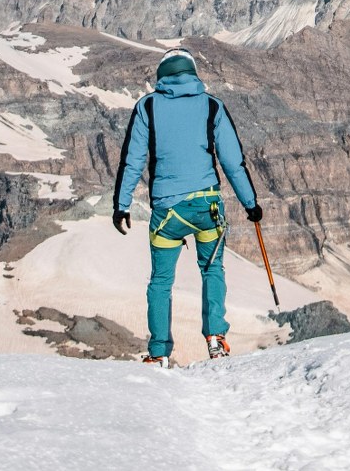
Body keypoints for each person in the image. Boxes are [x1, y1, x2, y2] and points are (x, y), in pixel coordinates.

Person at [112, 47, 262, 366]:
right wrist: (251, 203)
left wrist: (121, 204)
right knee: (212, 269)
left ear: (162, 75)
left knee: (161, 282)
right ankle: (216, 339)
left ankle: (159, 352)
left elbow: (133, 160)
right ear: (193, 72)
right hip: (207, 207)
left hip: (168, 212)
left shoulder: (147, 106)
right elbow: (233, 162)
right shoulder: (212, 106)